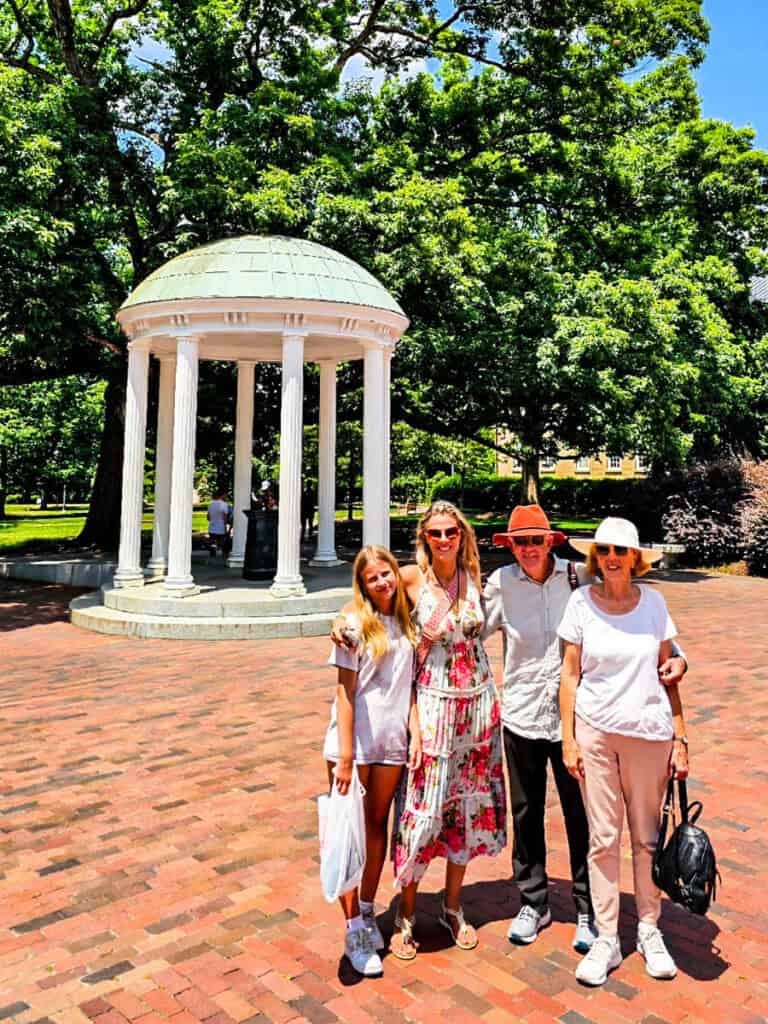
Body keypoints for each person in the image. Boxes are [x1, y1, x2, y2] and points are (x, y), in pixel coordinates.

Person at [483, 505, 687, 951]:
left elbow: (637, 623)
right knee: (526, 811)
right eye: (521, 542)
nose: (529, 550)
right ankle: (533, 901)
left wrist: (680, 661)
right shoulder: (499, 585)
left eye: (537, 540)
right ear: (510, 546)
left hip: (578, 723)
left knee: (587, 817)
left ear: (552, 542)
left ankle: (587, 907)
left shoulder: (580, 578)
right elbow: (464, 625)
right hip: (522, 713)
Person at [559, 517, 689, 987]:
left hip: (648, 735)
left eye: (621, 551)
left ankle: (650, 930)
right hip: (595, 733)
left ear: (635, 559)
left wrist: (681, 736)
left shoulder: (653, 603)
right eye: (605, 551)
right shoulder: (579, 604)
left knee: (646, 839)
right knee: (602, 838)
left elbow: (669, 667)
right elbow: (569, 675)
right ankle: (607, 936)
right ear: (596, 557)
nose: (612, 558)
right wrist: (568, 738)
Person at [391, 501, 507, 959]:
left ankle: (453, 906)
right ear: (424, 537)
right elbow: (365, 605)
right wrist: (344, 626)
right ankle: (406, 911)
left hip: (477, 708)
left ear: (462, 535)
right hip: (435, 705)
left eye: (451, 532)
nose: (443, 540)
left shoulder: (476, 576)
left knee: (463, 809)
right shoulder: (410, 579)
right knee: (424, 807)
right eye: (435, 533)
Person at [324, 546, 420, 977]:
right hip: (355, 744)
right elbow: (344, 693)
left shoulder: (407, 618)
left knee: (376, 827)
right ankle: (352, 928)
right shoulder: (351, 625)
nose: (382, 583)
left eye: (387, 574)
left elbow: (412, 683)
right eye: (372, 579)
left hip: (391, 741)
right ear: (361, 586)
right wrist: (344, 756)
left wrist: (414, 729)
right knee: (349, 836)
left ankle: (366, 908)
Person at [207, 490, 231, 556]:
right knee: (221, 541)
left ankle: (213, 551)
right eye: (225, 495)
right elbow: (225, 517)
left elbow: (208, 517)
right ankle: (220, 552)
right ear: (222, 495)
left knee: (213, 540)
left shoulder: (210, 504)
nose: (226, 496)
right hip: (220, 526)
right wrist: (226, 526)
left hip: (212, 526)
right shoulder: (224, 504)